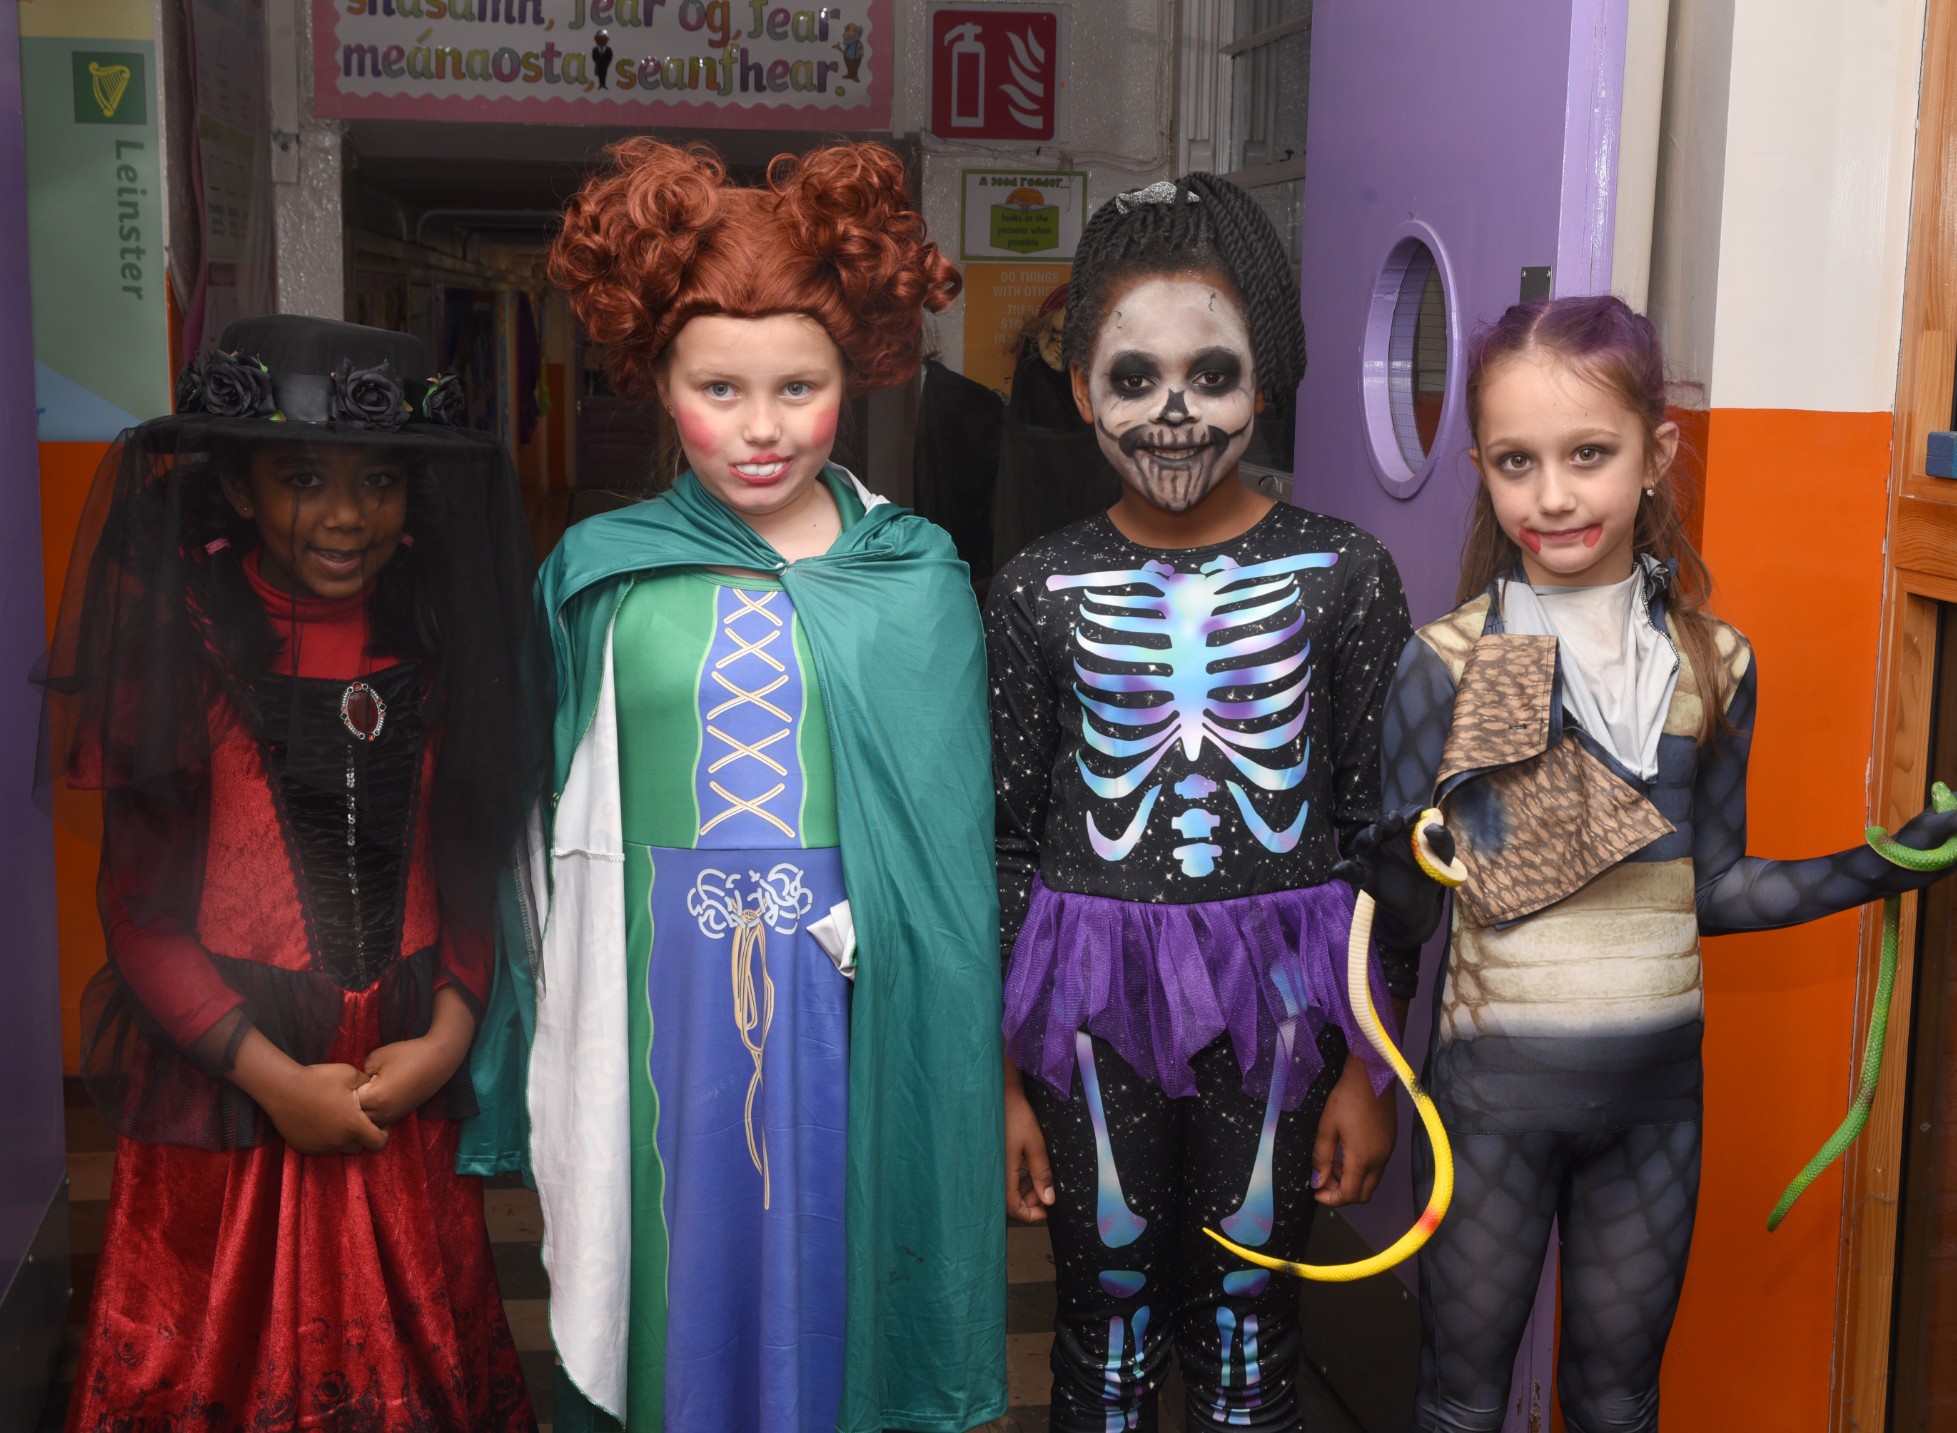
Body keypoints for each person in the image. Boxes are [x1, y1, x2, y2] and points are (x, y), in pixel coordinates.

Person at [1374, 294, 1957, 1432]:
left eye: (1589, 454)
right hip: (1489, 1106)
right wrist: (1388, 860)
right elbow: (1407, 920)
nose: (1552, 494)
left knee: (1618, 1402)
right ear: (1481, 470)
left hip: (1654, 1104)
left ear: (1656, 453)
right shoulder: (1453, 661)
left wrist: (1889, 862)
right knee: (1460, 1404)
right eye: (1515, 462)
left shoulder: (1716, 663)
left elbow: (1711, 890)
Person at [459, 139, 1007, 1433]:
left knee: (833, 1259)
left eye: (797, 387)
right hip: (652, 978)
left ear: (851, 380)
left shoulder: (914, 573)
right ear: (659, 383)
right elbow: (532, 814)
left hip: (851, 986)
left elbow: (946, 852)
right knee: (669, 1258)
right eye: (720, 387)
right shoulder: (597, 568)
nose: (762, 429)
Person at [42, 316, 543, 1429]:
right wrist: (276, 1081)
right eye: (304, 478)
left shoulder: (440, 637)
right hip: (232, 1097)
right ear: (237, 484)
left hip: (401, 1084)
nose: (347, 515)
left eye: (379, 480)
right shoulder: (179, 647)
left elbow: (467, 857)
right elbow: (140, 911)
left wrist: (449, 1035)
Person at [987, 173, 1420, 1431]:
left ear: (1263, 380)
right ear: (1081, 390)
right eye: (1133, 379)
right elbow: (1004, 842)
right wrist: (999, 1078)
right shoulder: (1033, 587)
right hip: (1082, 1008)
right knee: (1106, 1315)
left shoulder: (1345, 573)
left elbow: (1385, 839)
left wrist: (1373, 1070)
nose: (1173, 414)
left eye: (1210, 375)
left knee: (1246, 1322)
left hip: (1285, 1005)